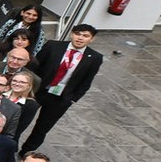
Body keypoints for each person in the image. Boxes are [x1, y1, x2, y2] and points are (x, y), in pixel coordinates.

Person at [21, 24, 102, 152]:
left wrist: (73, 99)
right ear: (71, 34)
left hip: (61, 98)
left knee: (43, 127)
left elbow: (87, 81)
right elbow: (35, 66)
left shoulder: (95, 57)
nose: (80, 38)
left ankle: (26, 151)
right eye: (77, 34)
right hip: (38, 91)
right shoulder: (53, 46)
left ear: (91, 39)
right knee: (22, 119)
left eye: (85, 36)